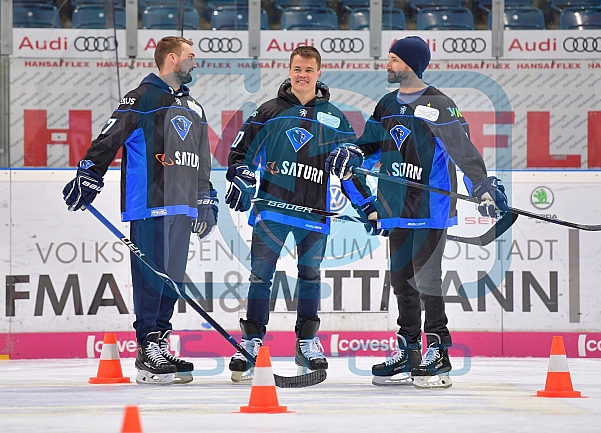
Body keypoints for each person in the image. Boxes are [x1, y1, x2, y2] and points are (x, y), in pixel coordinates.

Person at [325, 36, 508, 389]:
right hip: (395, 206)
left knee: (427, 280)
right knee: (401, 282)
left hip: (430, 208)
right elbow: (372, 146)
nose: (387, 64)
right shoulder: (385, 104)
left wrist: (481, 186)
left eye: (393, 59)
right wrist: (354, 154)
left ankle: (438, 349)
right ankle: (408, 350)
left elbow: (462, 151)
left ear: (411, 64)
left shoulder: (439, 104)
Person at [62, 36, 217, 385]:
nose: (195, 63)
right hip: (150, 204)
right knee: (150, 278)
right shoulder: (141, 96)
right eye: (191, 57)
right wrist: (89, 174)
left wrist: (205, 199)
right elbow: (109, 138)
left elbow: (202, 161)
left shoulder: (195, 107)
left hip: (182, 207)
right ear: (173, 59)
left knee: (172, 281)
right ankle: (147, 347)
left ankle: (160, 341)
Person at [225, 46, 374, 382]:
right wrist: (241, 178)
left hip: (314, 213)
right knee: (260, 276)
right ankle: (251, 342)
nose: (302, 75)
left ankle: (306, 342)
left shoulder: (335, 118)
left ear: (319, 72)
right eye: (297, 69)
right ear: (289, 71)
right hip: (271, 210)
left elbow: (350, 171)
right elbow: (240, 155)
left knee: (310, 277)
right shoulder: (268, 111)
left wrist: (367, 206)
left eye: (308, 69)